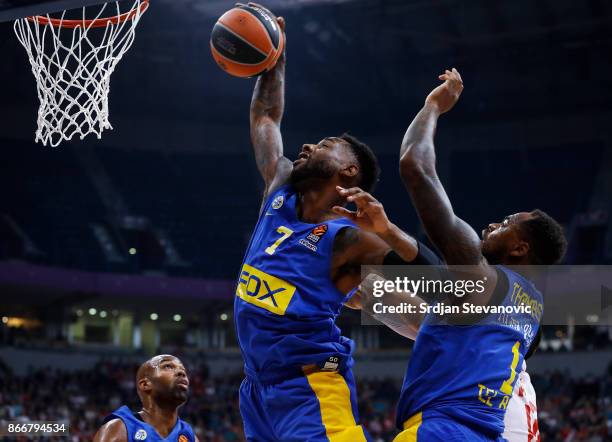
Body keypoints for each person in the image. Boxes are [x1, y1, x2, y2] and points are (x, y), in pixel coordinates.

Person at [338, 68, 566, 441]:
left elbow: (415, 165)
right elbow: (428, 313)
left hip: (447, 430)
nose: (494, 223)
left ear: (520, 247)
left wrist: (432, 106)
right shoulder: (530, 308)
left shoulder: (482, 280)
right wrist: (372, 281)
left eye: (508, 222)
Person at [234, 4, 421, 441]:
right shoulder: (280, 189)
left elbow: (415, 305)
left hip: (310, 385)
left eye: (326, 145)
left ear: (349, 172)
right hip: (257, 391)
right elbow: (265, 117)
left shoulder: (350, 240)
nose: (306, 145)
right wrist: (274, 60)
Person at [93, 355, 197, 442]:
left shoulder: (188, 435)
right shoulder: (119, 429)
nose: (181, 373)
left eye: (183, 369)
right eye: (168, 366)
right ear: (145, 384)